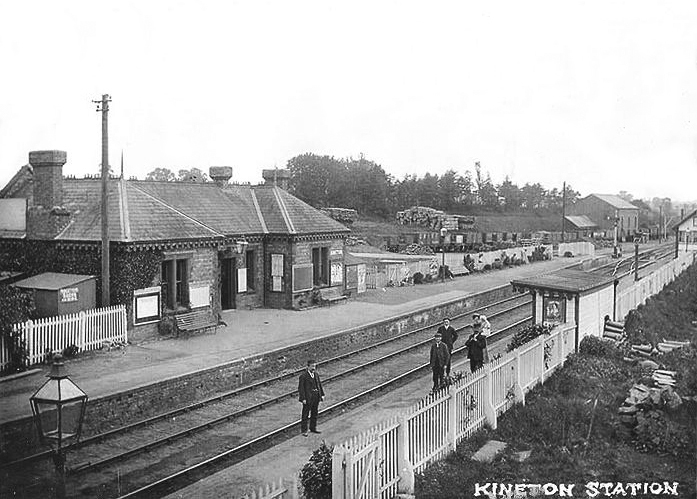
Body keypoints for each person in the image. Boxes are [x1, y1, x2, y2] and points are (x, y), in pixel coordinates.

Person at [298, 360, 325, 436]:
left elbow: (319, 385)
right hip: (308, 398)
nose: (314, 368)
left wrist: (322, 394)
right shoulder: (303, 376)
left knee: (314, 413)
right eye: (312, 366)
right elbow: (301, 388)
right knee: (305, 414)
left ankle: (313, 428)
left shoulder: (316, 374)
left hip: (316, 396)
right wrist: (303, 398)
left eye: (314, 366)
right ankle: (304, 430)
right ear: (308, 367)